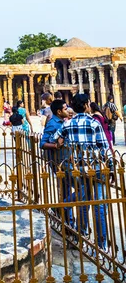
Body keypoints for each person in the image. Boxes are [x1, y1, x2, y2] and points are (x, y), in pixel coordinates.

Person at [53, 93, 112, 251]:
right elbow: (104, 147)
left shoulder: (68, 124)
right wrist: (111, 168)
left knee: (83, 203)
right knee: (99, 206)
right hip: (97, 169)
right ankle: (101, 246)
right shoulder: (94, 123)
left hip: (79, 169)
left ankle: (82, 236)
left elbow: (55, 138)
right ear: (86, 105)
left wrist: (62, 141)